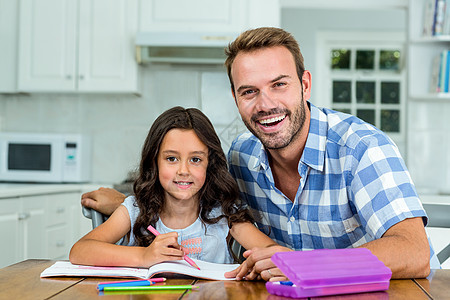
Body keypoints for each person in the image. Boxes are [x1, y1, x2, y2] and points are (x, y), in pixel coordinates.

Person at [82, 28, 439, 280]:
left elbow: (413, 252)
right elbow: (197, 198)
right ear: (236, 98)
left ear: (304, 84)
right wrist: (131, 204)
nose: (265, 104)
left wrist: (302, 265)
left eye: (279, 85)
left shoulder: (361, 148)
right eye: (249, 91)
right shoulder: (240, 156)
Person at [71, 106, 277, 270]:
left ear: (209, 164)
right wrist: (144, 256)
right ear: (155, 162)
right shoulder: (135, 210)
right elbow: (80, 251)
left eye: (195, 159)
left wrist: (262, 261)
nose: (183, 170)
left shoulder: (224, 215)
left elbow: (273, 252)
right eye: (171, 158)